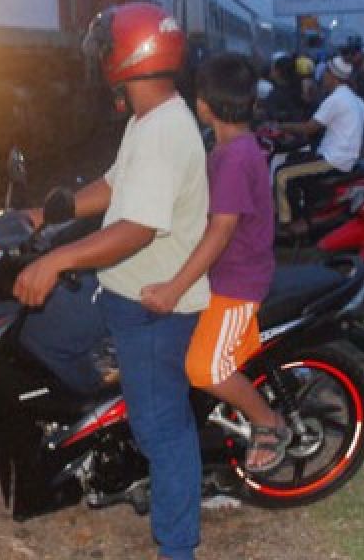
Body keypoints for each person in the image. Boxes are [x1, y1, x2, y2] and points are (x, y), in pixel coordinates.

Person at [14, 1, 207, 560]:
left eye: (105, 49)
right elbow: (114, 185)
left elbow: (136, 229)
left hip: (153, 305)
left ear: (128, 56)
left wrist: (56, 259)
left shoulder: (165, 131)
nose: (99, 60)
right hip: (122, 289)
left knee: (162, 431)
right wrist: (53, 211)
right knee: (52, 338)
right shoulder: (147, 118)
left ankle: (177, 548)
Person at [138, 53, 289, 473]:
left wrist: (173, 288)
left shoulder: (236, 158)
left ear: (202, 105)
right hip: (220, 275)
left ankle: (268, 421)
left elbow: (221, 231)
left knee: (205, 368)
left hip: (236, 284)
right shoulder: (228, 149)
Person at [272, 56, 364, 235]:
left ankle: (288, 224)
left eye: (325, 73)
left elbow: (310, 128)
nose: (322, 76)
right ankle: (303, 211)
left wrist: (280, 126)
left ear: (332, 76)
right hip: (344, 156)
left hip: (333, 159)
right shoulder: (351, 97)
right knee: (294, 160)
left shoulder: (336, 98)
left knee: (282, 174)